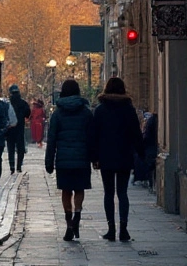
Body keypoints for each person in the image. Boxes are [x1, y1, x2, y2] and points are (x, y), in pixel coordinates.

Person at [91, 77, 143, 242]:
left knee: (108, 193)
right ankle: (124, 229)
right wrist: (141, 154)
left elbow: (94, 135)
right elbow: (136, 134)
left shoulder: (100, 110)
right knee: (122, 193)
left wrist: (94, 157)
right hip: (124, 156)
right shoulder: (128, 109)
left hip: (105, 157)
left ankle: (111, 229)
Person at [45, 79, 95, 241]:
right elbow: (91, 137)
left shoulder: (57, 114)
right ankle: (77, 215)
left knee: (66, 190)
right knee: (79, 189)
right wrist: (94, 158)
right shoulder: (86, 113)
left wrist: (49, 161)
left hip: (63, 159)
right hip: (82, 158)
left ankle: (69, 223)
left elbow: (51, 139)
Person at [5, 84, 31, 173]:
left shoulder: (8, 104)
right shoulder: (23, 103)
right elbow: (28, 113)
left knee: (11, 148)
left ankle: (12, 165)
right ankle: (19, 166)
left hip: (10, 129)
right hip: (20, 128)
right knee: (20, 148)